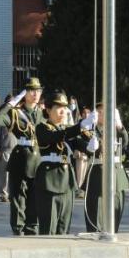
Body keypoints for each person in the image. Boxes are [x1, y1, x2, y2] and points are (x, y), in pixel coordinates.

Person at [34, 90, 95, 235]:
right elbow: (56, 136)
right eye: (58, 107)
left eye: (64, 108)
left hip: (67, 182)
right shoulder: (42, 128)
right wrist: (80, 126)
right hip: (49, 181)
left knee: (64, 227)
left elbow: (83, 146)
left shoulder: (67, 130)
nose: (63, 111)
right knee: (48, 228)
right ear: (48, 110)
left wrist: (93, 145)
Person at [0, 77, 46, 235]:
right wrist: (11, 103)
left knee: (35, 196)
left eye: (38, 91)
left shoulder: (43, 114)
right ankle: (18, 227)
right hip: (21, 157)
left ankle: (32, 226)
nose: (35, 94)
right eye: (31, 91)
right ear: (24, 93)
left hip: (37, 159)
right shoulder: (15, 113)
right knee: (18, 195)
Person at [84, 103, 129, 233]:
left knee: (116, 209)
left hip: (116, 174)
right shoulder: (90, 129)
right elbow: (87, 146)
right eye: (100, 112)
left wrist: (119, 125)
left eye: (106, 112)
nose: (103, 115)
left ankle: (112, 232)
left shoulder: (115, 129)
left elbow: (124, 142)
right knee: (96, 212)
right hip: (98, 173)